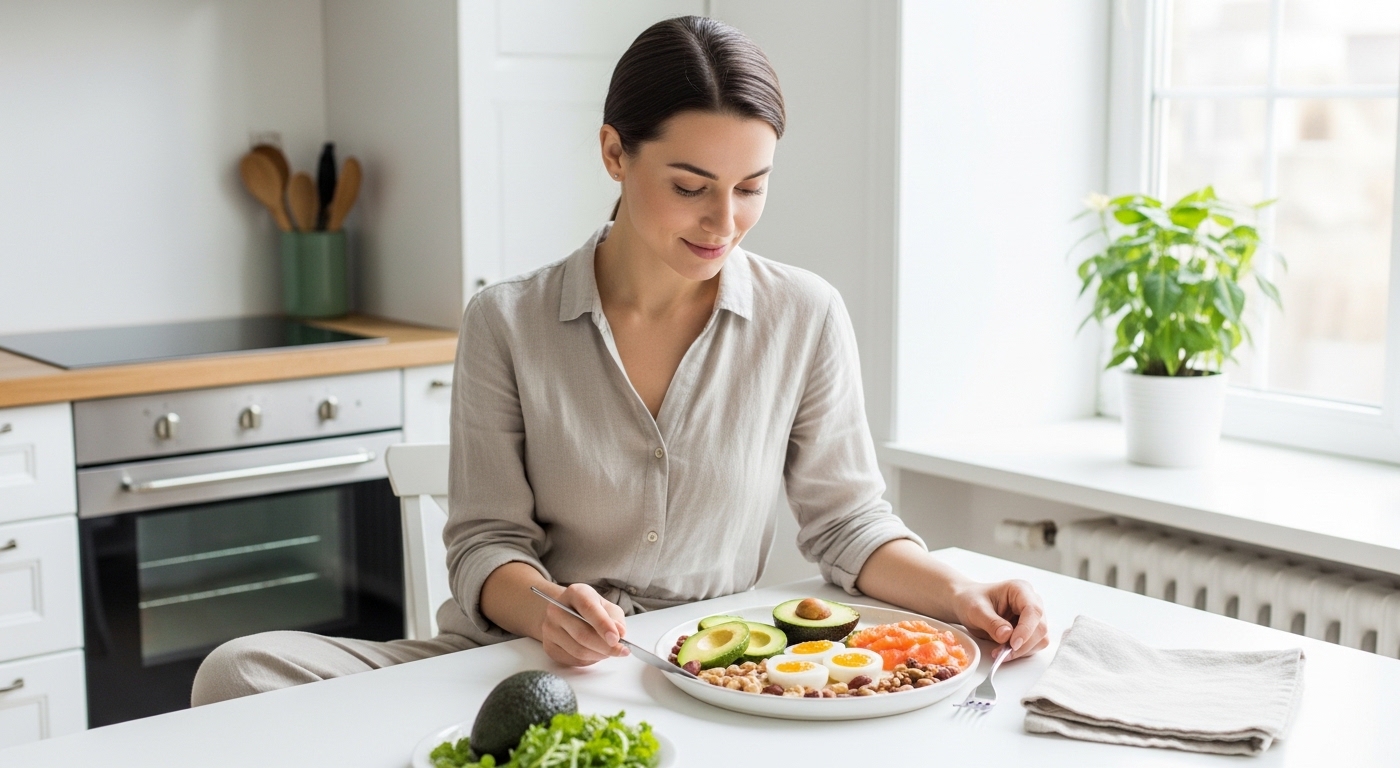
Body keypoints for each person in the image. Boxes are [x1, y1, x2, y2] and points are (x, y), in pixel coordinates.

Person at [191, 15, 1047, 706]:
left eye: (751, 186)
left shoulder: (805, 314)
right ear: (614, 153)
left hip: (710, 681)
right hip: (517, 668)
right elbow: (485, 542)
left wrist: (957, 592)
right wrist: (545, 610)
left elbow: (848, 526)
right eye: (689, 184)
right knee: (239, 670)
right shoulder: (508, 320)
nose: (724, 221)